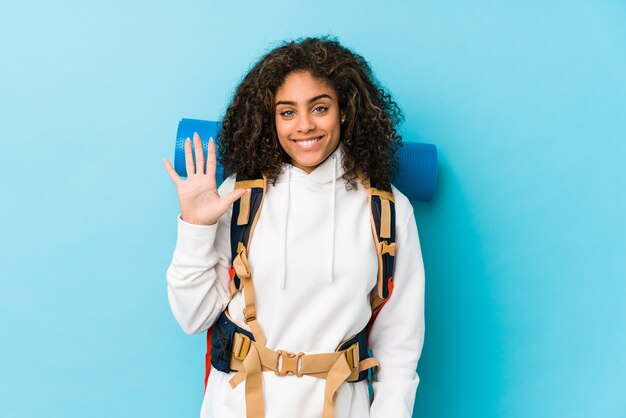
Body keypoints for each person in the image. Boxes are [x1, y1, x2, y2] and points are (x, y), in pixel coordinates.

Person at [164, 36, 425, 418]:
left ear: (345, 111)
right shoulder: (237, 196)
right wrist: (195, 228)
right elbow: (193, 317)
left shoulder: (387, 209)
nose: (304, 126)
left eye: (319, 108)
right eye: (287, 112)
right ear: (270, 119)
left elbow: (399, 350)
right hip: (237, 405)